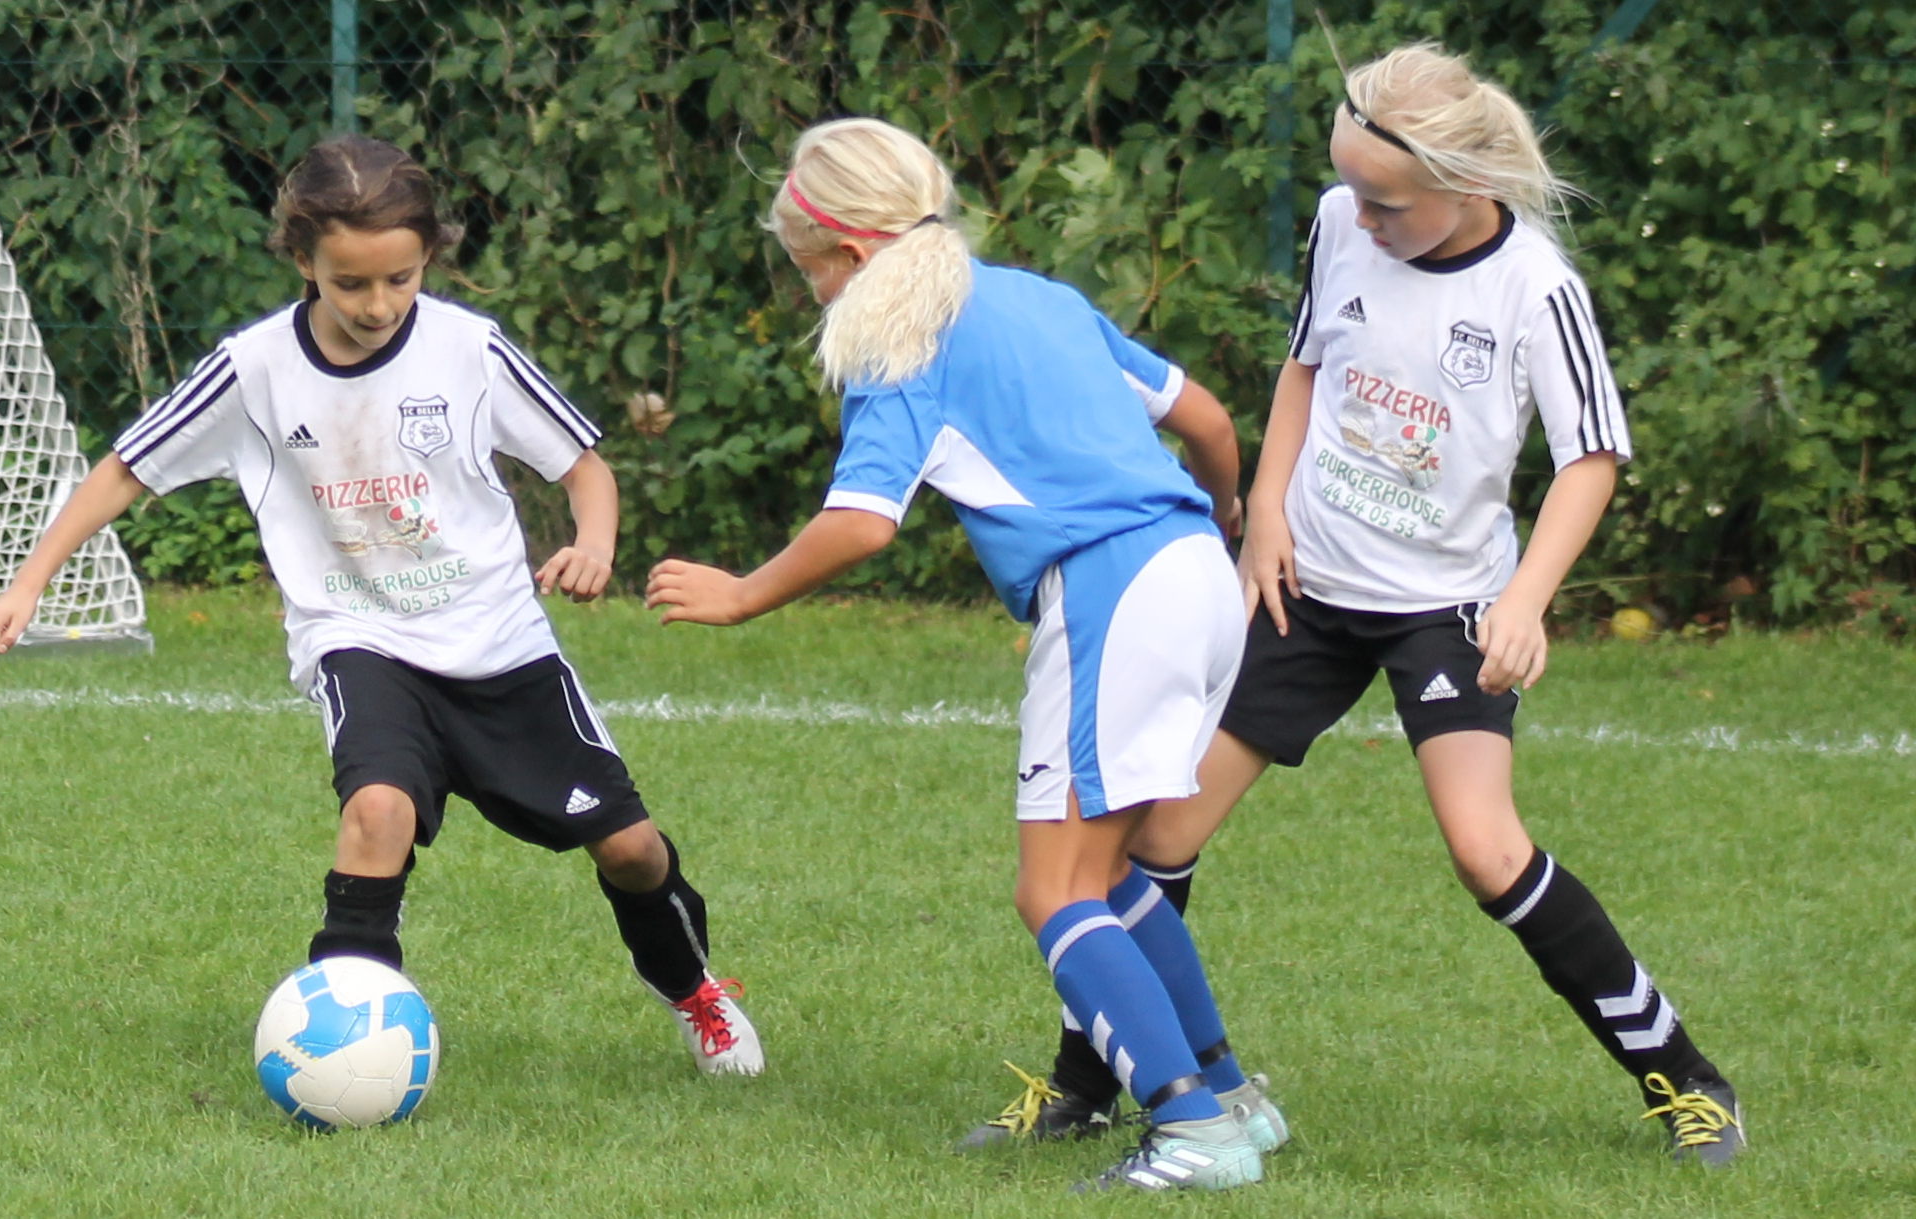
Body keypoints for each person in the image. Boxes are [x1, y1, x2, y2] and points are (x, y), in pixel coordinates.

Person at [989, 42, 1744, 1165]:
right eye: (1351, 191)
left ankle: (1687, 1080)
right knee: (1148, 840)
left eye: (1387, 203)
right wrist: (1266, 512)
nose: (1364, 218)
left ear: (1464, 182)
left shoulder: (1534, 287)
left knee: (1486, 851)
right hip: (1306, 587)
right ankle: (1096, 1083)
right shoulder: (1343, 220)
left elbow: (1591, 456)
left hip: (1445, 608)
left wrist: (1526, 599)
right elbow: (1304, 366)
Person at [0, 134, 762, 1078]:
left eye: (400, 279)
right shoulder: (254, 368)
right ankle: (344, 1045)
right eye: (351, 283)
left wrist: (593, 543)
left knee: (629, 848)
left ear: (428, 260)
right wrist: (28, 583)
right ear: (304, 262)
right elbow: (125, 469)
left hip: (499, 641)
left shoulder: (469, 349)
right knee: (376, 812)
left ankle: (694, 990)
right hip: (359, 637)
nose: (378, 304)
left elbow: (584, 467)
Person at [645, 116, 1277, 1192]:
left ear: (850, 253)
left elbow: (862, 520)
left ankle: (1193, 1129)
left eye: (807, 271)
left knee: (1054, 890)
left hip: (1112, 590)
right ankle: (1230, 1097)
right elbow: (1209, 420)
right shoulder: (1039, 297)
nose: (812, 293)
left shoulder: (896, 335)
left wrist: (741, 594)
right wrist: (1221, 514)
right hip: (1192, 573)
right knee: (1108, 871)